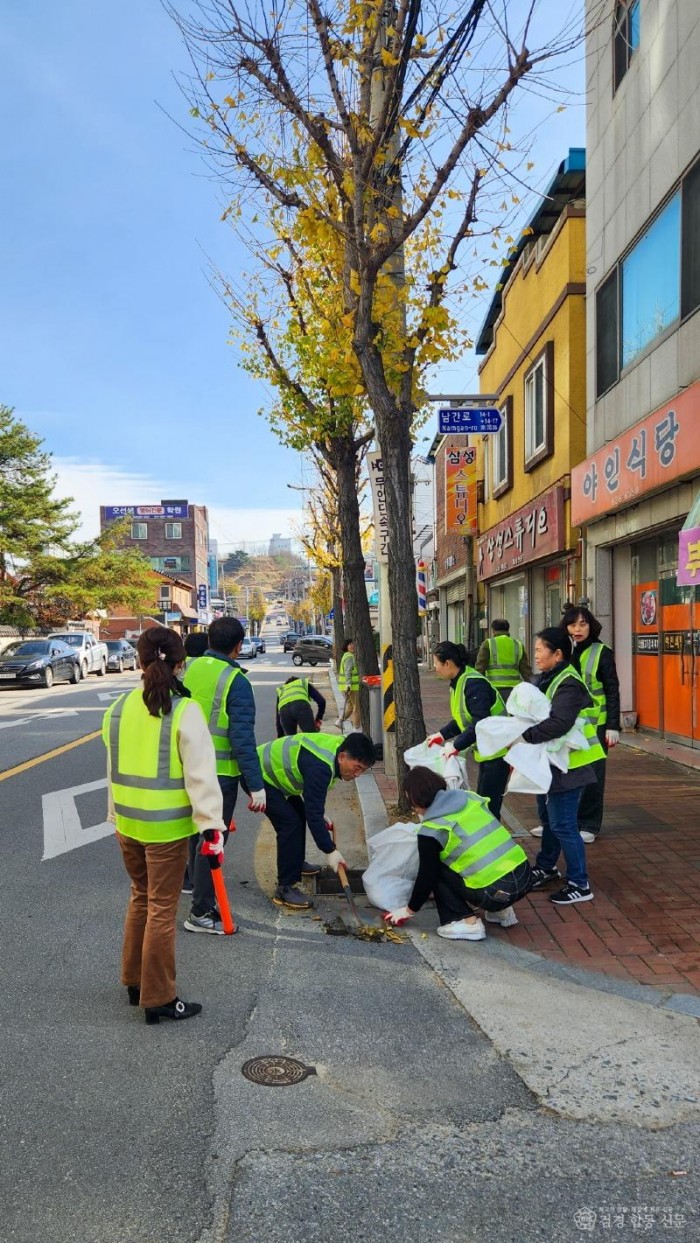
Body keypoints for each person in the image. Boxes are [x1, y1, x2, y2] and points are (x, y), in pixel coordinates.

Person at [103, 626, 225, 1025]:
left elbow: (113, 768)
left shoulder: (118, 707)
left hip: (128, 823)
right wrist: (212, 825)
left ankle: (134, 981)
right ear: (180, 664)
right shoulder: (185, 710)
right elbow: (201, 776)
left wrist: (114, 815)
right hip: (168, 830)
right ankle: (158, 997)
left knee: (140, 897)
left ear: (139, 661)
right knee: (161, 908)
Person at [182, 617, 266, 934]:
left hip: (186, 767)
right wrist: (255, 787)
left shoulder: (189, 669)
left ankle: (194, 888)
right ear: (238, 645)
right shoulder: (235, 681)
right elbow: (242, 739)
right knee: (212, 842)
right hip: (218, 775)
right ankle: (201, 914)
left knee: (195, 834)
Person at [383, 766, 532, 940]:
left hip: (493, 893)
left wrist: (408, 911)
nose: (414, 808)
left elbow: (427, 878)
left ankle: (468, 922)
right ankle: (502, 911)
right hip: (524, 876)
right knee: (479, 857)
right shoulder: (468, 798)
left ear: (415, 798)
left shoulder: (432, 831)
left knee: (435, 868)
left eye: (412, 802)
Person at [522, 627, 606, 906]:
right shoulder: (548, 678)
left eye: (539, 650)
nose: (535, 655)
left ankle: (579, 883)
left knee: (564, 825)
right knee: (549, 821)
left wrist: (523, 735)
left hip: (570, 766)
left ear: (557, 654)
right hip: (552, 763)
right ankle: (547, 867)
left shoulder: (568, 682)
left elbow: (559, 723)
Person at [258, 730, 376, 909]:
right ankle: (285, 889)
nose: (357, 774)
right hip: (260, 776)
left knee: (298, 815)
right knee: (289, 824)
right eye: (357, 767)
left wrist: (319, 814)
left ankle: (295, 863)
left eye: (363, 770)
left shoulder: (338, 750)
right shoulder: (321, 767)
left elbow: (314, 804)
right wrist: (330, 850)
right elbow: (313, 813)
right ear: (342, 757)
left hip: (277, 778)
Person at [428, 640, 510, 820]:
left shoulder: (473, 684)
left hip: (498, 753)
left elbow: (480, 722)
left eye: (436, 663)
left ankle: (493, 846)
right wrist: (441, 735)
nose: (435, 668)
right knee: (485, 804)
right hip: (488, 753)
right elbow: (463, 719)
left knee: (488, 809)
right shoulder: (460, 681)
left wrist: (455, 745)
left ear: (447, 663)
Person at [563, 603, 620, 843]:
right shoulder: (563, 651)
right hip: (566, 723)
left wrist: (613, 726)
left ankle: (589, 824)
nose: (578, 629)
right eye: (573, 624)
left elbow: (612, 690)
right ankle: (562, 821)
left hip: (596, 724)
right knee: (565, 772)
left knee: (593, 775)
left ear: (591, 626)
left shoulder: (601, 652)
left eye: (583, 624)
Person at [475, 619, 531, 702]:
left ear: (493, 630)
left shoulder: (488, 644)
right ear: (508, 630)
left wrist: (477, 688)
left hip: (494, 690)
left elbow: (480, 668)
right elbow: (526, 671)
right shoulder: (517, 644)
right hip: (514, 690)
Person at [336, 638, 360, 730]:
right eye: (350, 644)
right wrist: (349, 684)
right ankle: (356, 728)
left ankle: (340, 721)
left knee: (350, 706)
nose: (352, 646)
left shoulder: (345, 656)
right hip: (351, 687)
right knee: (356, 707)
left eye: (353, 644)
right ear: (346, 646)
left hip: (344, 686)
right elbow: (348, 671)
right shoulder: (349, 656)